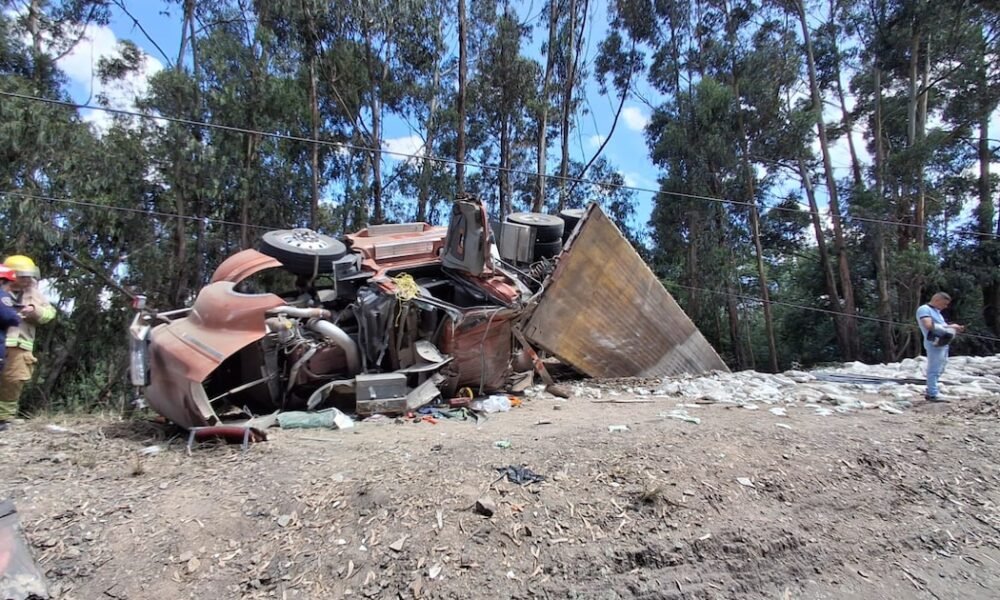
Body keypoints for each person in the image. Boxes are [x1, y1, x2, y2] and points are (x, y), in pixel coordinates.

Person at [0, 256, 56, 428]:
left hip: (20, 345)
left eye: (29, 276)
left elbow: (50, 313)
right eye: (23, 276)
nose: (27, 280)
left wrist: (34, 310)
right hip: (2, 341)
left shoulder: (34, 293)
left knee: (14, 380)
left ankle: (4, 417)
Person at [915, 292, 965, 402]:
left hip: (943, 343)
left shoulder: (937, 312)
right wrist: (951, 326)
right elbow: (928, 325)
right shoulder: (924, 309)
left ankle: (932, 390)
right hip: (934, 343)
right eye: (944, 304)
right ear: (937, 300)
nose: (945, 307)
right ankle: (933, 393)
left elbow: (941, 327)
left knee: (940, 368)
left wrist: (953, 329)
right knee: (934, 368)